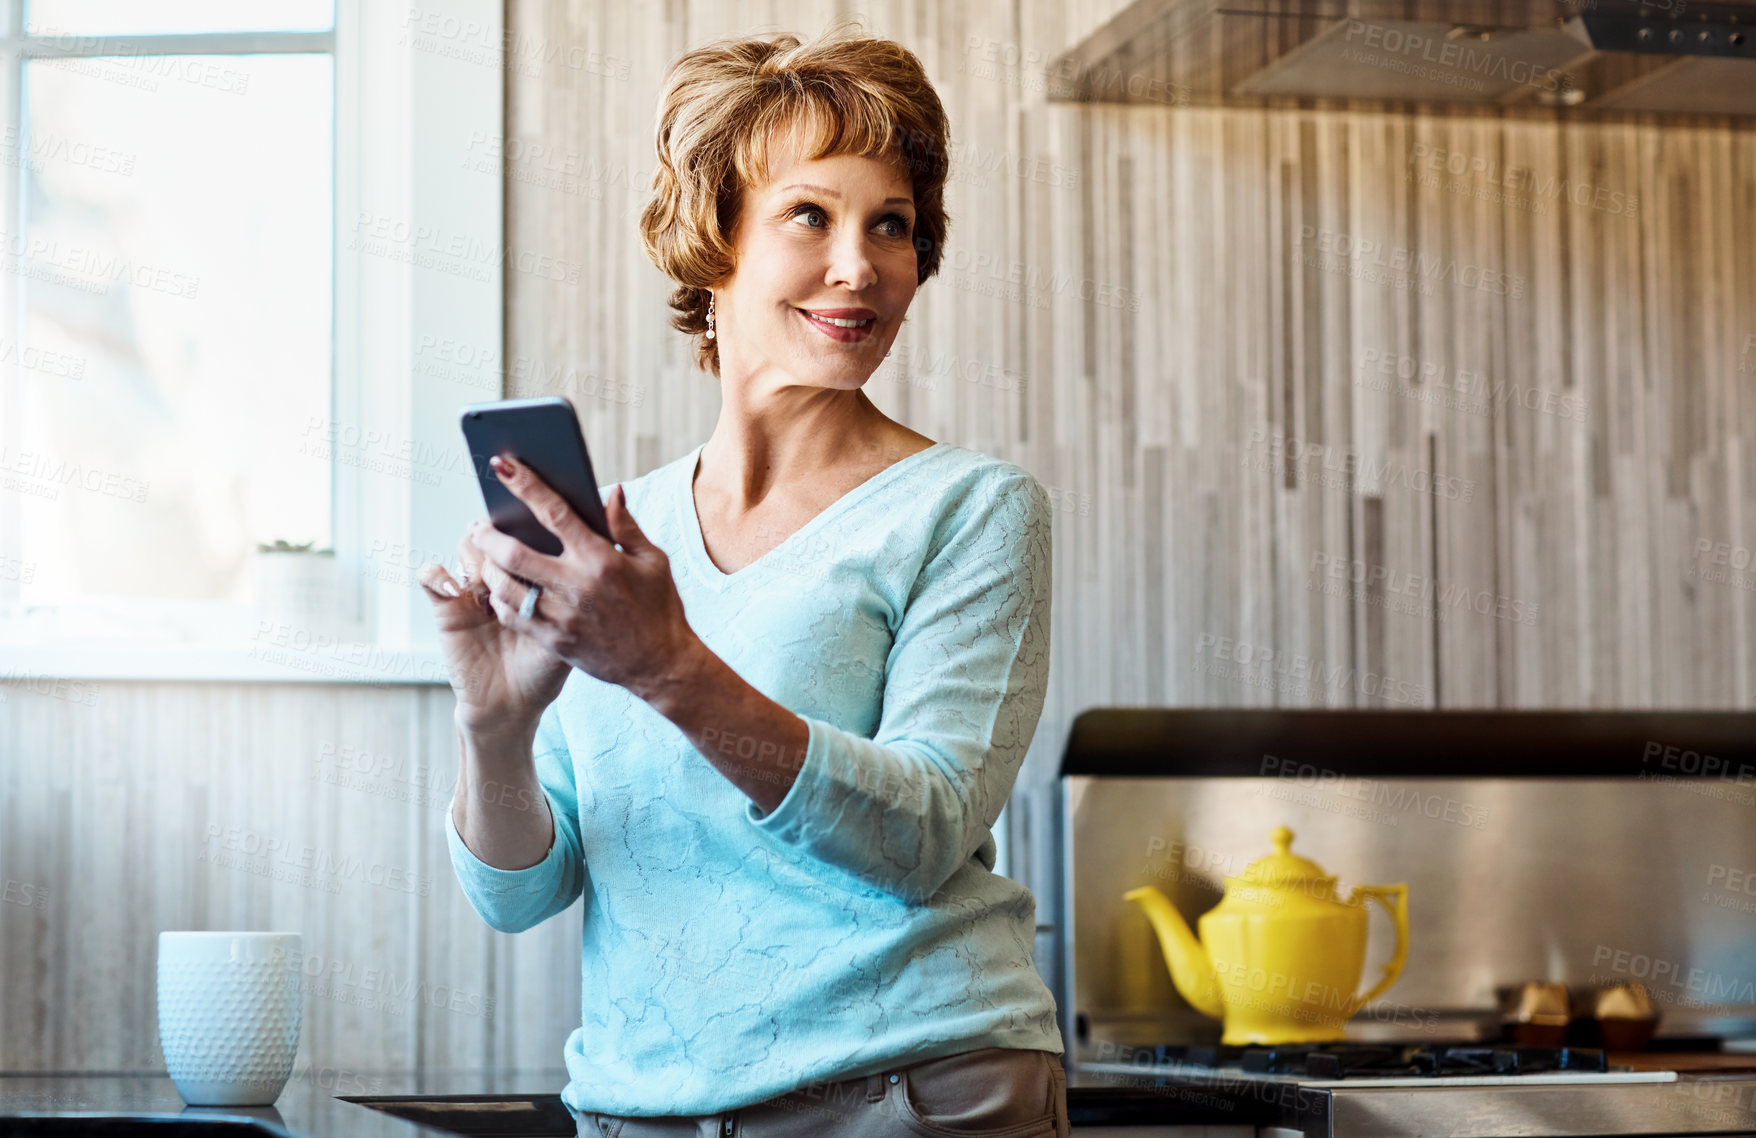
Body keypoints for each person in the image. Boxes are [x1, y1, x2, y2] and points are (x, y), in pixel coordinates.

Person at [417, 24, 1066, 1138]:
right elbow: (521, 892)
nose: (861, 266)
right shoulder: (622, 542)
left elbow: (925, 833)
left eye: (892, 226)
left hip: (907, 1094)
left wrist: (667, 668)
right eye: (810, 214)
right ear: (714, 238)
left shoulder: (971, 511)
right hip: (641, 1110)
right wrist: (494, 729)